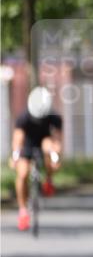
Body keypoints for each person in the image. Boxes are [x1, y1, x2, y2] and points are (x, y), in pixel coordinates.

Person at [8, 86, 63, 231]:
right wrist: (15, 156)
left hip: (44, 143)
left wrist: (56, 157)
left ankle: (48, 179)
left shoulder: (54, 118)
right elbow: (17, 139)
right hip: (27, 145)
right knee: (23, 174)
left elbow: (56, 140)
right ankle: (23, 211)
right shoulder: (23, 117)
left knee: (49, 146)